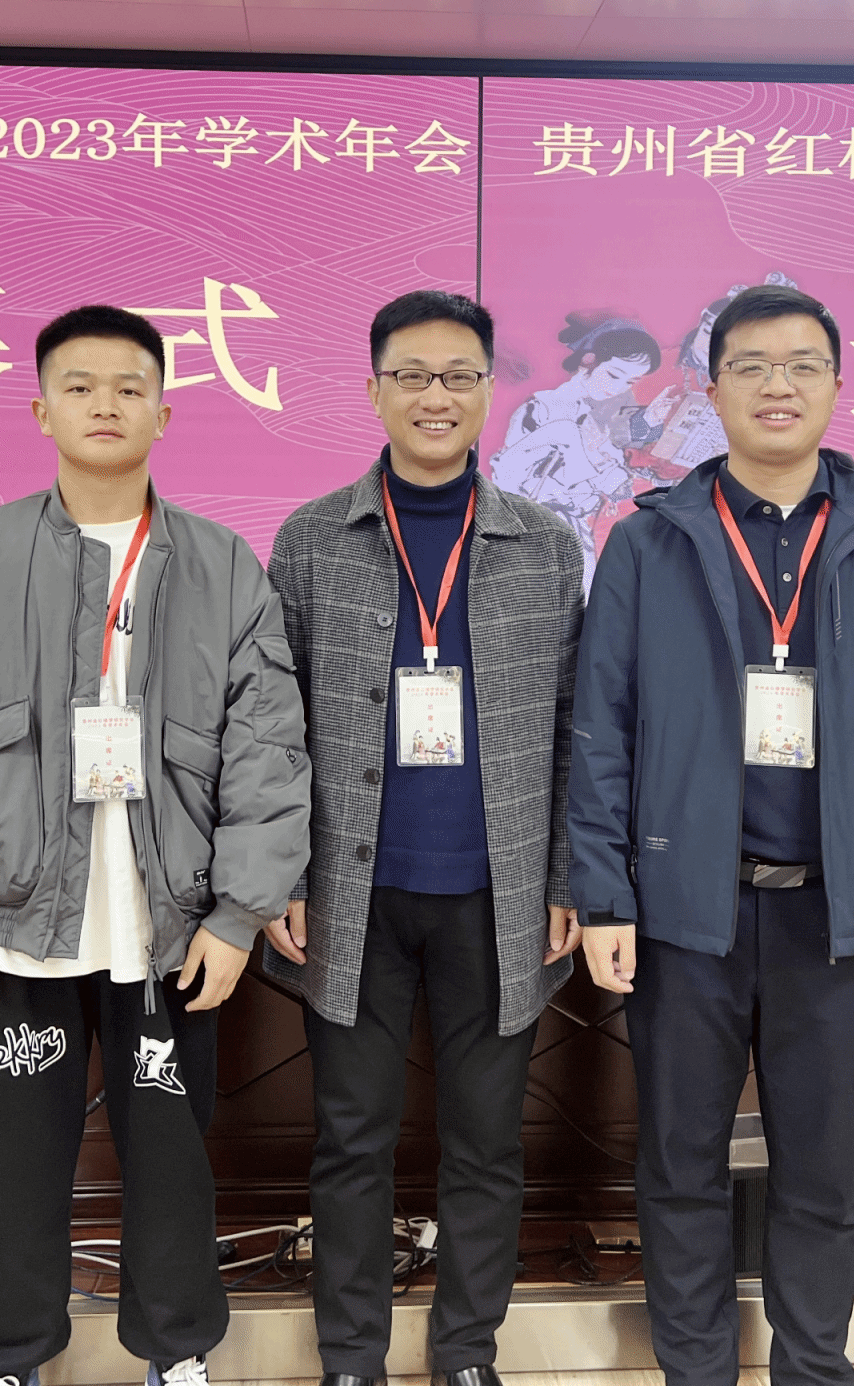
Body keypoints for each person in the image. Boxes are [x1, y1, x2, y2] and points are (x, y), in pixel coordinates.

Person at [0, 305, 311, 1386]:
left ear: (164, 411)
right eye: (79, 386)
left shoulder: (221, 566)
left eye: (128, 387)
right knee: (15, 1157)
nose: (104, 405)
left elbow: (268, 752)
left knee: (171, 1154)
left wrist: (239, 915)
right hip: (12, 922)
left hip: (172, 924)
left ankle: (176, 1351)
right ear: (40, 411)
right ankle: (6, 1353)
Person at [570, 284, 854, 1386]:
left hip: (836, 915)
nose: (776, 386)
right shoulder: (648, 543)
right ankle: (695, 1373)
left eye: (801, 365)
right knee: (679, 1170)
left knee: (821, 1178)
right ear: (712, 391)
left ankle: (812, 1371)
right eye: (750, 366)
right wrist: (603, 892)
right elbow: (599, 729)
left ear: (837, 387)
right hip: (684, 915)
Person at [263, 290, 585, 1386]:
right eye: (410, 374)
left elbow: (573, 727)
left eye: (458, 375)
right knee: (350, 1140)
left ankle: (465, 1355)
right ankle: (350, 1357)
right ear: (373, 391)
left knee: (485, 1144)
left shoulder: (544, 546)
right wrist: (283, 873)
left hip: (500, 896)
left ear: (489, 391)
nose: (434, 395)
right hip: (349, 894)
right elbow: (273, 726)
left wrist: (563, 874)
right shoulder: (313, 538)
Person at [490, 313, 670, 587]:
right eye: (613, 374)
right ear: (588, 360)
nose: (617, 388)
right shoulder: (543, 407)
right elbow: (506, 476)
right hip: (533, 530)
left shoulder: (590, 414)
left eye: (629, 382)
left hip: (574, 528)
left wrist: (650, 423)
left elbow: (614, 461)